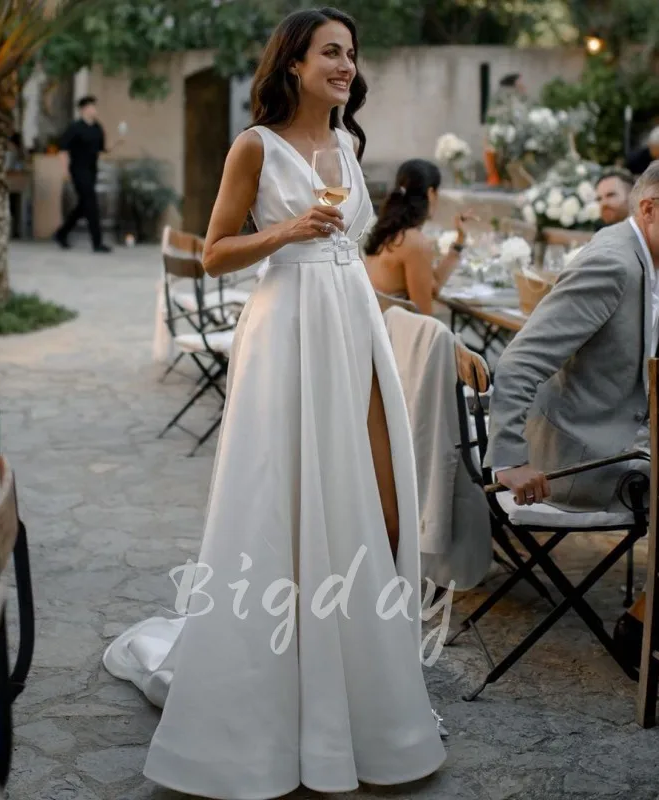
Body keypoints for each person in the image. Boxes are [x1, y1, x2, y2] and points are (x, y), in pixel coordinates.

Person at [103, 7, 446, 798]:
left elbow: (354, 253)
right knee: (279, 502)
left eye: (352, 55)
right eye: (331, 52)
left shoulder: (349, 148)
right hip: (285, 331)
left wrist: (381, 339)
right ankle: (265, 704)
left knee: (358, 497)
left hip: (347, 327)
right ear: (292, 63)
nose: (346, 66)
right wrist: (288, 229)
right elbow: (216, 252)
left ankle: (358, 703)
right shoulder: (253, 147)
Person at [486, 159, 659, 510]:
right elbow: (519, 361)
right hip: (582, 461)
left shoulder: (658, 259)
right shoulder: (612, 264)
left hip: (631, 440)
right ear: (649, 210)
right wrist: (510, 461)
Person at [364, 158, 488, 391]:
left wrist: (458, 243)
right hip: (402, 352)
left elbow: (431, 287)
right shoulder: (414, 242)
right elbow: (426, 319)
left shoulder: (389, 233)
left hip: (381, 341)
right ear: (431, 194)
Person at [54, 96, 120, 253]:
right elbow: (63, 150)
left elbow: (103, 149)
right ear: (84, 109)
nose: (95, 110)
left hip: (92, 170)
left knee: (84, 206)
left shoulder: (97, 127)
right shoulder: (75, 128)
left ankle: (61, 233)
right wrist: (64, 172)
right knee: (91, 205)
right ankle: (97, 243)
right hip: (78, 170)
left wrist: (117, 142)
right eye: (92, 107)